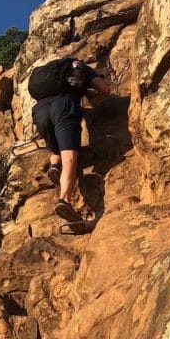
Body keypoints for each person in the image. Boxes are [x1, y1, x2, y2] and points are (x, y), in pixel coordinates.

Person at [28, 57, 110, 223]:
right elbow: (104, 90)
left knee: (55, 148)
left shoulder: (50, 74)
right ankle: (64, 200)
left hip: (40, 111)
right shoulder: (83, 68)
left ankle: (54, 166)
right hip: (64, 106)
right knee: (70, 155)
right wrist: (93, 100)